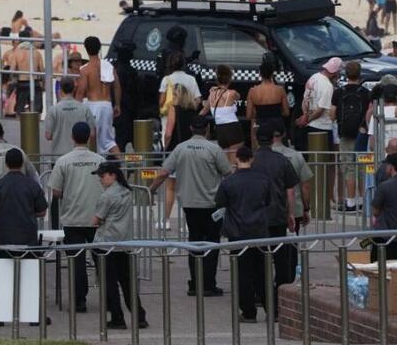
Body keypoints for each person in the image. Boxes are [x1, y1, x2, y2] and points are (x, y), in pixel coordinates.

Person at [149, 117, 233, 296]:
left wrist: (151, 189)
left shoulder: (181, 148)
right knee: (211, 244)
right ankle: (208, 284)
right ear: (208, 129)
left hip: (189, 204)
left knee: (194, 242)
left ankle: (195, 283)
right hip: (212, 205)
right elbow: (228, 173)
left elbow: (164, 172)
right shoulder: (214, 149)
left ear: (190, 128)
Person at [0, 148, 48, 326]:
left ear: (6, 164)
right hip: (27, 236)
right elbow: (42, 211)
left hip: (2, 237)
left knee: (3, 275)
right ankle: (34, 315)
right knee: (30, 276)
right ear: (22, 164)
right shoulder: (32, 185)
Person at [50, 121, 105, 312]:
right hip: (97, 217)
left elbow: (55, 192)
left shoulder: (63, 161)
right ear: (90, 137)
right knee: (102, 258)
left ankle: (79, 300)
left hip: (73, 217)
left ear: (72, 138)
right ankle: (109, 297)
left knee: (76, 260)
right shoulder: (100, 160)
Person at [215, 146, 273, 322]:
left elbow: (220, 203)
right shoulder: (263, 179)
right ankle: (271, 309)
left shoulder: (228, 182)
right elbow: (268, 201)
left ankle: (248, 312)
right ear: (252, 158)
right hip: (260, 231)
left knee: (242, 274)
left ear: (236, 159)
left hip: (238, 232)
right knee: (263, 272)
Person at [251, 123, 300, 314]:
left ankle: (263, 298)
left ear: (256, 139)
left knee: (259, 260)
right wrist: (290, 214)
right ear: (273, 139)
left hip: (256, 217)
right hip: (278, 215)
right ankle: (281, 297)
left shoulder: (252, 161)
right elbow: (290, 192)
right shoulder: (282, 160)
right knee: (281, 260)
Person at [92, 161, 148, 329]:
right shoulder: (126, 191)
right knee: (127, 282)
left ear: (113, 175)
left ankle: (117, 317)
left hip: (106, 243)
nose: (100, 180)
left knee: (109, 283)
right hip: (125, 243)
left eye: (102, 176)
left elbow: (96, 220)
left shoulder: (107, 196)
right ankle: (139, 316)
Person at [332, 60, 370, 210]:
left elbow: (332, 114)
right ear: (360, 74)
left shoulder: (339, 92)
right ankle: (363, 200)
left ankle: (350, 202)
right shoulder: (366, 93)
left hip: (345, 135)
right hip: (362, 135)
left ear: (345, 74)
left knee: (349, 168)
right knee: (362, 167)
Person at [76, 36, 121, 154]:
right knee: (108, 140)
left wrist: (76, 107)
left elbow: (81, 91)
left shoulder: (85, 69)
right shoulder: (109, 66)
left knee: (92, 138)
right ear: (100, 48)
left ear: (86, 49)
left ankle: (96, 164)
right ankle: (122, 165)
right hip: (107, 104)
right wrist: (117, 104)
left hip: (93, 105)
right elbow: (117, 86)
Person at [201, 65, 243, 162]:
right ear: (229, 79)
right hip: (233, 128)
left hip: (220, 129)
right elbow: (238, 96)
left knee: (225, 162)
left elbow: (203, 111)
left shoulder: (211, 94)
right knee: (235, 160)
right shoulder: (232, 93)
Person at [295, 56, 338, 151]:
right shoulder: (327, 86)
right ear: (335, 72)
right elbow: (320, 110)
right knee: (324, 162)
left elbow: (305, 100)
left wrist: (304, 116)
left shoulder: (313, 78)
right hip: (322, 127)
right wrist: (306, 120)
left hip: (308, 126)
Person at [45, 78, 96, 158]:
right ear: (74, 89)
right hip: (81, 156)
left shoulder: (53, 110)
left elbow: (48, 136)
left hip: (59, 156)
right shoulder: (84, 108)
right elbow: (92, 134)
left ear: (60, 90)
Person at [246, 58, 289, 147]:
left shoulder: (253, 91)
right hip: (277, 125)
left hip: (261, 126)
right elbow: (286, 112)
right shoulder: (280, 90)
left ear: (260, 74)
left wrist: (257, 113)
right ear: (272, 74)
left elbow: (249, 116)